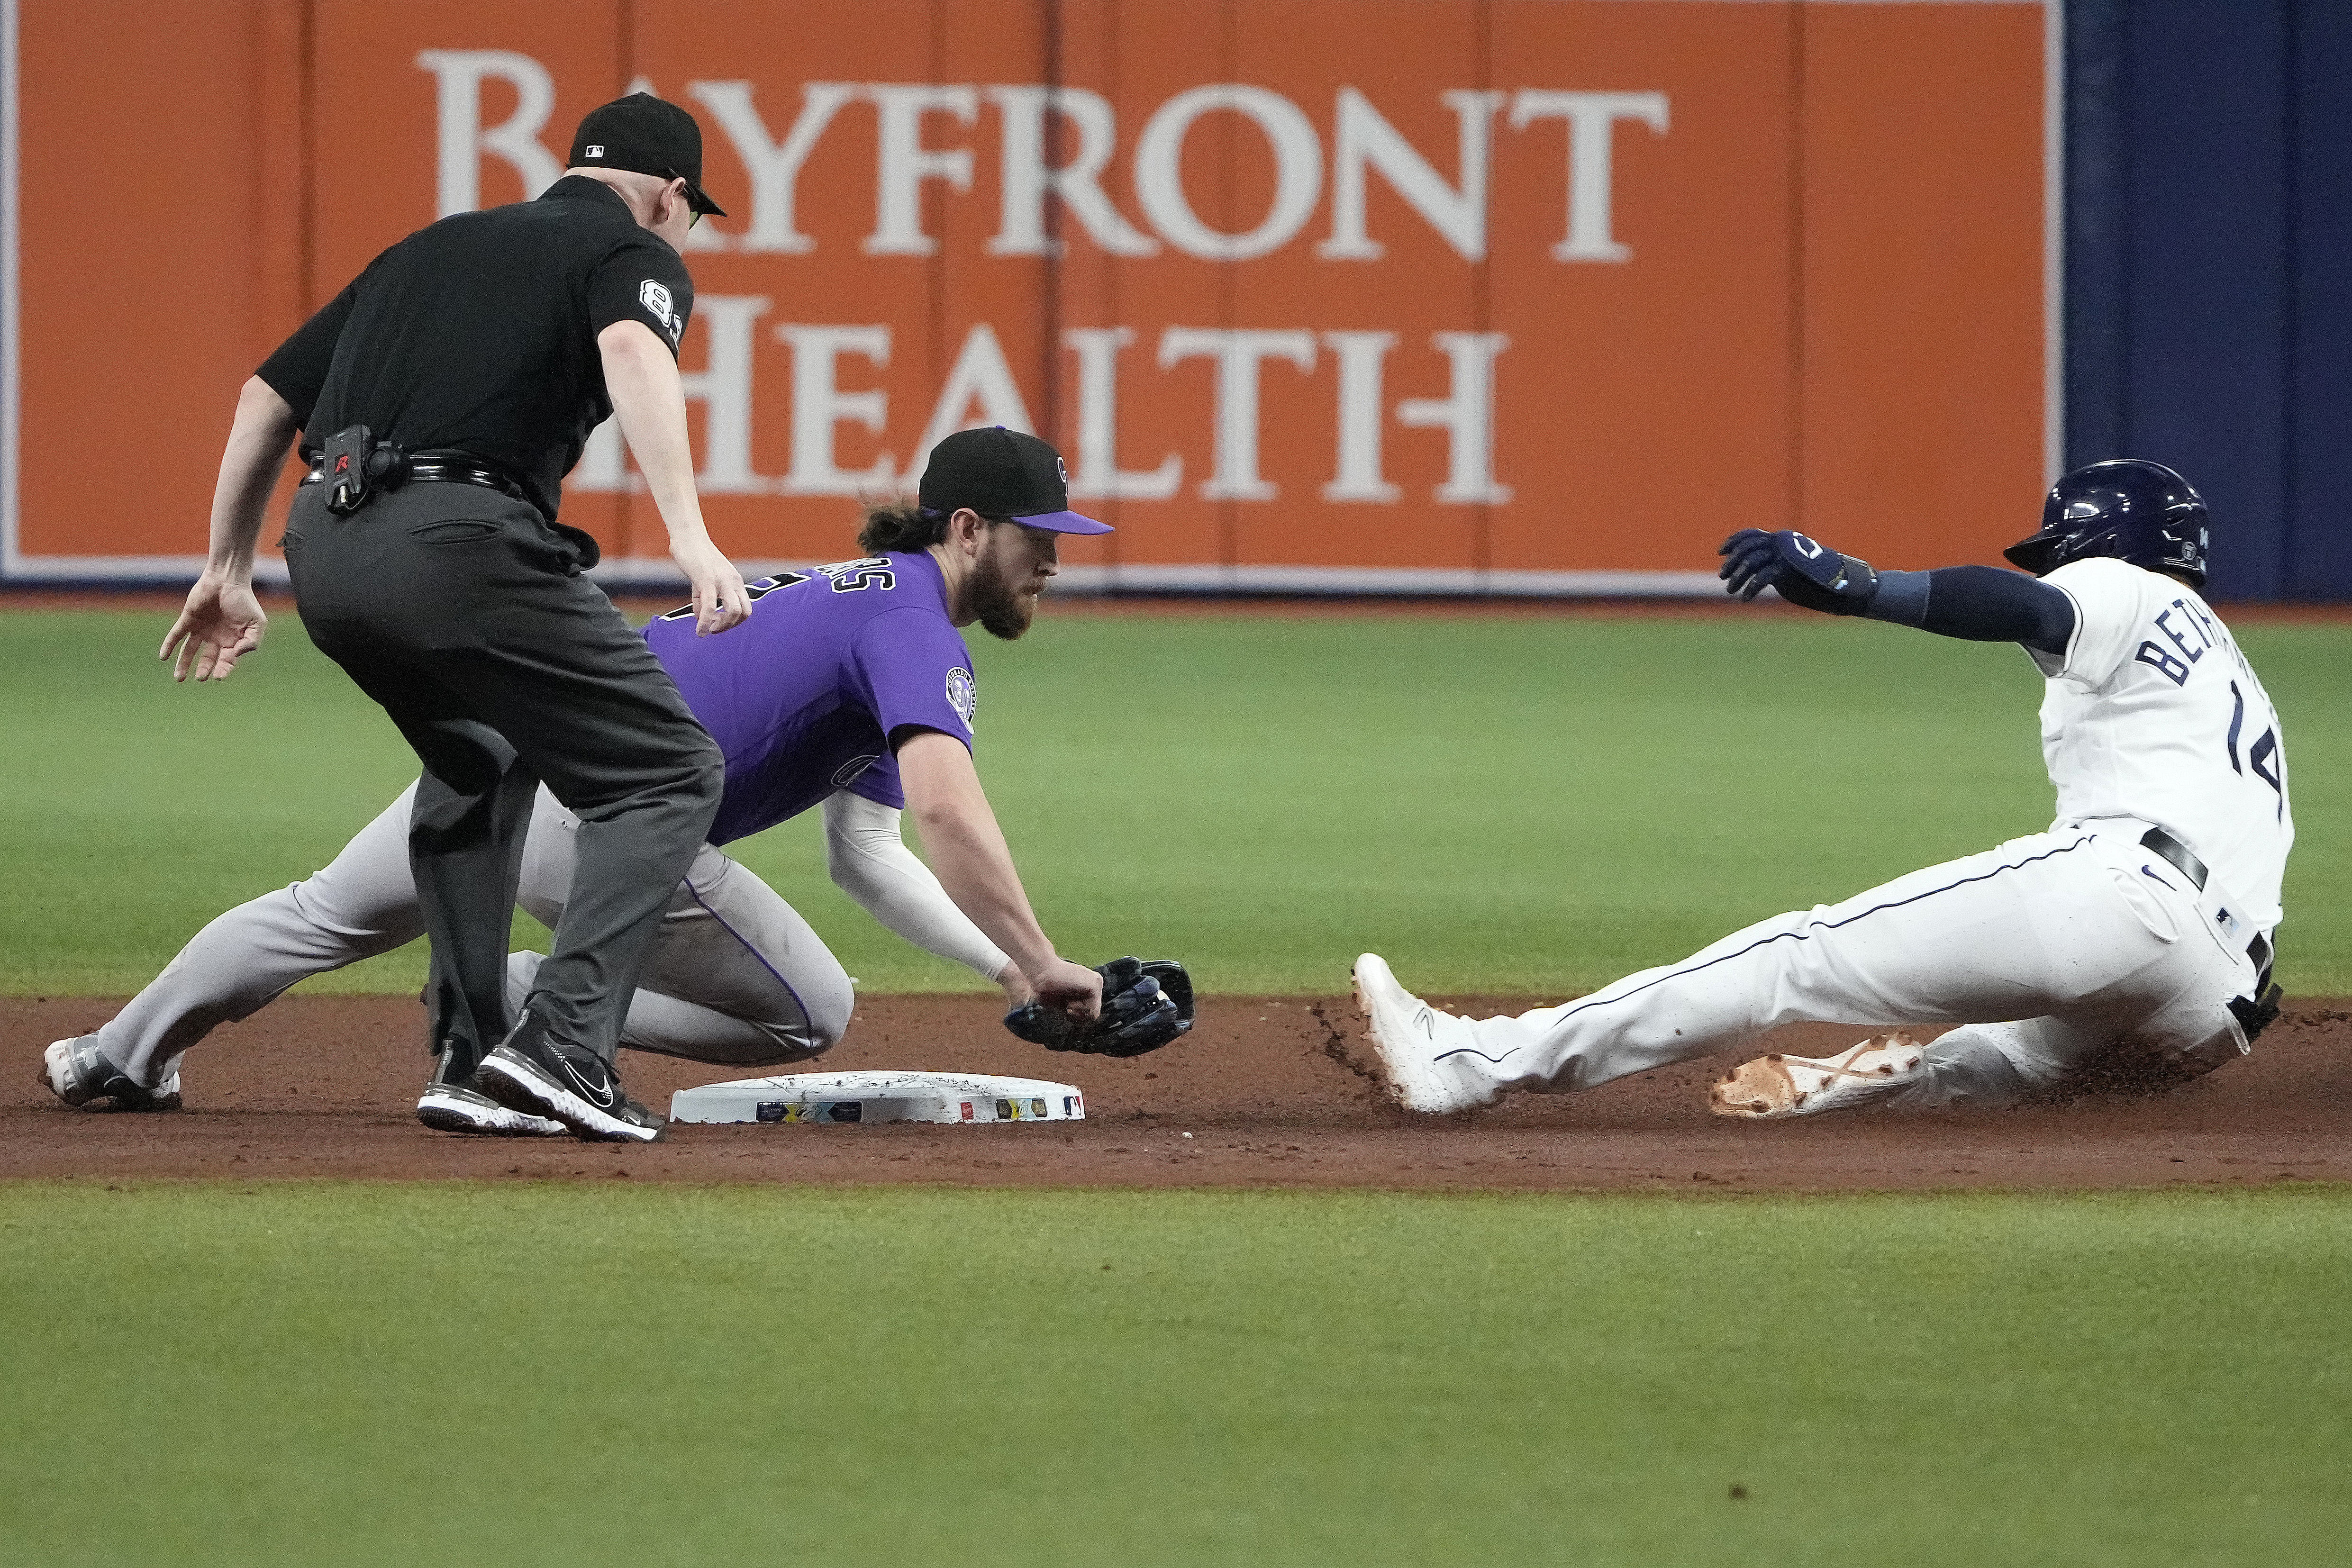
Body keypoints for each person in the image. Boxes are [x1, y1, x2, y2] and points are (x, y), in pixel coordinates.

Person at [41, 427, 1113, 1138]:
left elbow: (867, 853)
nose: (1054, 562)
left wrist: (1005, 970)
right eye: (1040, 538)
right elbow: (944, 810)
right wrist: (1040, 956)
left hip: (510, 751)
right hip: (618, 816)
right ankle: (521, 999)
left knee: (324, 910)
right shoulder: (912, 626)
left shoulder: (854, 602)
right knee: (813, 1011)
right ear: (967, 528)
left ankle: (116, 1052)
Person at [70, 94, 767, 1143]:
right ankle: (566, 1045)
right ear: (671, 193)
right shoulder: (633, 248)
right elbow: (633, 352)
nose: (687, 228)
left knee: (477, 761)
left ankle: (471, 1055)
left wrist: (226, 565)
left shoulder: (427, 246)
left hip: (329, 551)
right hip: (461, 541)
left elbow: (268, 396)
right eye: (691, 211)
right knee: (667, 769)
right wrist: (690, 534)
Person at [1354, 460, 2291, 1118]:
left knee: (1793, 958)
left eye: (2060, 548)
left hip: (2126, 898)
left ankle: (1469, 1062)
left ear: (2102, 545)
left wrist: (1864, 586)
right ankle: (1811, 1094)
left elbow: (2029, 605)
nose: (2051, 563)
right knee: (1983, 1063)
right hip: (2215, 1003)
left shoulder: (2132, 590)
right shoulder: (2232, 682)